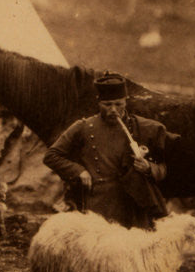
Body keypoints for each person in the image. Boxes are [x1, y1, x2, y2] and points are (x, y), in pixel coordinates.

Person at [43, 72, 175, 230]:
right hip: (100, 205)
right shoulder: (83, 127)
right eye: (108, 104)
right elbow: (51, 156)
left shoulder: (146, 128)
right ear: (98, 103)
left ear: (126, 102)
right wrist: (78, 171)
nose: (113, 109)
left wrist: (148, 168)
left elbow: (163, 169)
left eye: (118, 104)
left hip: (135, 204)